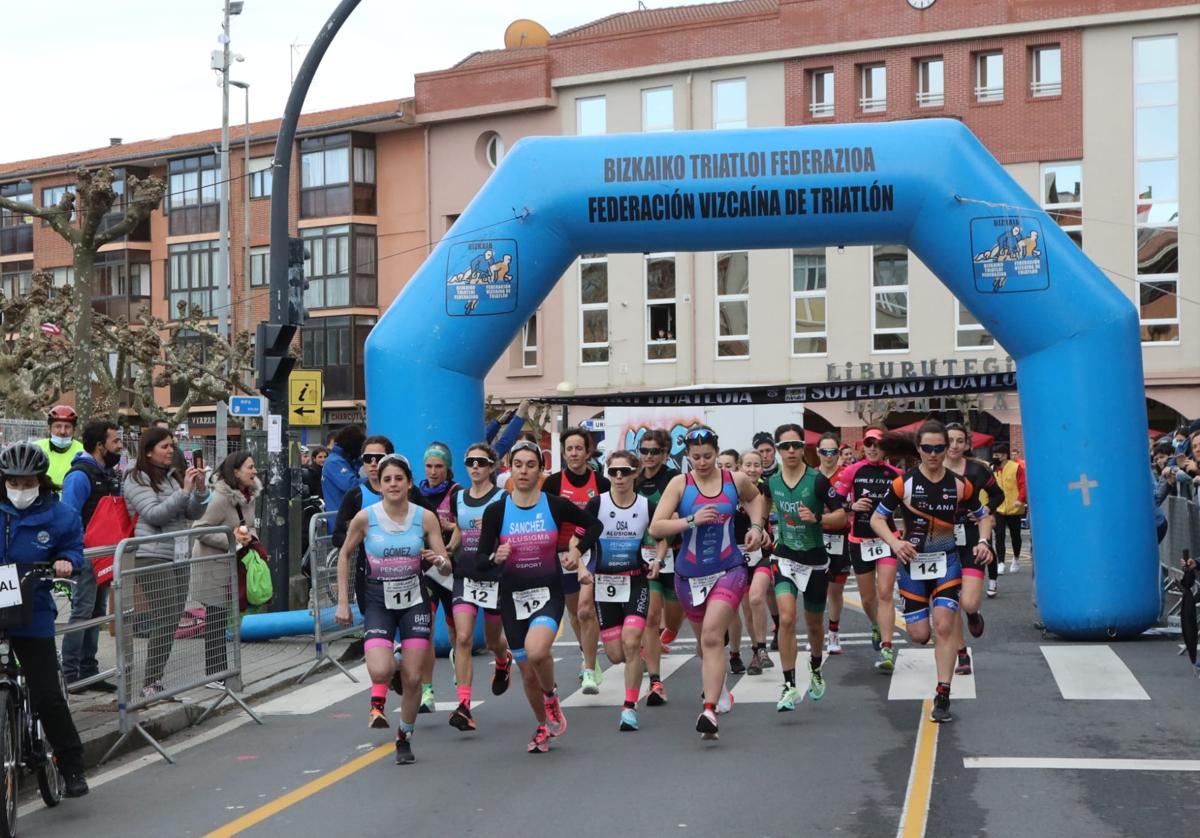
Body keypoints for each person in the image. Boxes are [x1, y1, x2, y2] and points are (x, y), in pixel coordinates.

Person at [474, 440, 603, 753]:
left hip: (548, 590)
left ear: (540, 470)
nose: (523, 471)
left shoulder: (555, 505)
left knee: (537, 650)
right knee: (527, 673)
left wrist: (576, 550)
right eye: (518, 465)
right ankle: (543, 726)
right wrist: (495, 558)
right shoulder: (496, 510)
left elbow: (594, 525)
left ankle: (551, 696)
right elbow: (479, 559)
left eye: (530, 465)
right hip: (511, 597)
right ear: (509, 468)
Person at [871, 420, 991, 723]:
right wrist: (895, 544)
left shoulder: (959, 484)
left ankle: (943, 693)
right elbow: (877, 519)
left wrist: (985, 541)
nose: (935, 454)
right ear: (918, 449)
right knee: (919, 635)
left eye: (939, 448)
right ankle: (915, 614)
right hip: (912, 564)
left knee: (944, 626)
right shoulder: (904, 483)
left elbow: (984, 516)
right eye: (928, 448)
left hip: (947, 562)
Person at [334, 454, 451, 765]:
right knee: (380, 670)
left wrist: (440, 561)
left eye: (399, 478)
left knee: (414, 679)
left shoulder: (424, 518)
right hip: (377, 601)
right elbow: (344, 555)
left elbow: (446, 564)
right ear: (379, 484)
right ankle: (394, 666)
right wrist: (344, 602)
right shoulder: (365, 517)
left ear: (409, 483)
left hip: (414, 600)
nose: (393, 484)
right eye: (387, 479)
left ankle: (404, 736)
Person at [649, 428, 765, 741]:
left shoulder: (734, 480)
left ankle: (709, 709)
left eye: (708, 456)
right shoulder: (679, 484)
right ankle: (719, 687)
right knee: (704, 645)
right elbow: (656, 526)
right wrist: (690, 521)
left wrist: (756, 526)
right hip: (689, 575)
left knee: (714, 637)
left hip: (729, 568)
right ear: (687, 456)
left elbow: (757, 500)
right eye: (695, 457)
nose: (701, 462)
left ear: (717, 453)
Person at [0, 442, 89, 797]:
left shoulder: (60, 515)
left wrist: (67, 559)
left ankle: (71, 766)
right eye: (14, 482)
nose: (20, 490)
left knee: (47, 693)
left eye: (28, 482)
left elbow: (74, 547)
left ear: (40, 481)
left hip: (32, 610)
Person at [761, 424, 847, 712]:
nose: (790, 451)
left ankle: (815, 666)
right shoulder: (771, 480)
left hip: (815, 561)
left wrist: (817, 519)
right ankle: (788, 685)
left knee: (813, 624)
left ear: (803, 448)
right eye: (784, 447)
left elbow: (841, 516)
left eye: (796, 445)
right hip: (784, 556)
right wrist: (759, 527)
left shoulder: (818, 481)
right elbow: (763, 501)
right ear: (777, 449)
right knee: (786, 618)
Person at [581, 450, 664, 732]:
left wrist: (658, 560)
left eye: (625, 471)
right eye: (613, 471)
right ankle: (637, 662)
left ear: (635, 473)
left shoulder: (646, 505)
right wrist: (580, 566)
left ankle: (629, 707)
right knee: (617, 655)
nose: (618, 476)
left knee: (630, 642)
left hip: (636, 581)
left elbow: (662, 536)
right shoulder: (597, 504)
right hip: (604, 585)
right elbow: (578, 540)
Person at [124, 426, 208, 698]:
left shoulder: (172, 478)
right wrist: (183, 492)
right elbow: (153, 514)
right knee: (166, 616)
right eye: (164, 447)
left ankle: (156, 679)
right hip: (151, 553)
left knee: (172, 619)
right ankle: (151, 682)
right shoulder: (135, 478)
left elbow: (192, 513)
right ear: (148, 451)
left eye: (172, 446)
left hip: (178, 554)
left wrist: (199, 491)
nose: (171, 451)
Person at [446, 443, 513, 733]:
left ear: (491, 467)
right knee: (463, 638)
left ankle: (503, 659)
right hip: (466, 574)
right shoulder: (457, 497)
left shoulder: (502, 498)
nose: (475, 467)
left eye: (481, 462)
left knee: (492, 639)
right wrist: (446, 550)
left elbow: (509, 533)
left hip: (495, 577)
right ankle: (464, 705)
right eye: (470, 462)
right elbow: (460, 530)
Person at [59, 419, 125, 691]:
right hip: (86, 555)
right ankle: (71, 673)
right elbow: (68, 516)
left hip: (103, 555)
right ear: (100, 446)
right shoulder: (80, 476)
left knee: (97, 613)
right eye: (116, 442)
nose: (120, 446)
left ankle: (89, 670)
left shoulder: (106, 474)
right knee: (83, 612)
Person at [542, 428, 608, 695]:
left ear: (588, 451)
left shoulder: (601, 483)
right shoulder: (553, 483)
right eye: (569, 448)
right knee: (574, 613)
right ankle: (586, 652)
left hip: (590, 551)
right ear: (563, 452)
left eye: (578, 448)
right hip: (562, 554)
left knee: (585, 609)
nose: (573, 453)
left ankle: (590, 667)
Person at [833, 427, 901, 671]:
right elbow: (835, 500)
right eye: (869, 443)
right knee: (868, 597)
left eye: (878, 444)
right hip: (859, 540)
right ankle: (876, 624)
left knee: (884, 592)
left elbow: (908, 503)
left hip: (887, 539)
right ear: (863, 447)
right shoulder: (852, 471)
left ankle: (887, 647)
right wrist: (852, 506)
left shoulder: (896, 474)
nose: (873, 448)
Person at [191, 451, 261, 685]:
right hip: (212, 565)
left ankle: (223, 671)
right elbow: (199, 528)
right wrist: (230, 540)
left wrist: (250, 537)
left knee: (225, 618)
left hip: (232, 565)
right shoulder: (220, 497)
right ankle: (214, 674)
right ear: (235, 472)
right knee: (216, 618)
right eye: (250, 467)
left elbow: (249, 526)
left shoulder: (249, 495)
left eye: (254, 467)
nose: (254, 471)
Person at [331, 435, 394, 667]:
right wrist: (361, 535)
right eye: (368, 458)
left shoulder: (406, 492)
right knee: (378, 640)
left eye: (380, 458)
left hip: (405, 577)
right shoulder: (356, 495)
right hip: (368, 578)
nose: (374, 463)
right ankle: (382, 683)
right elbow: (338, 537)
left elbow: (428, 527)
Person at [411, 441, 462, 714]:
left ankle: (459, 657)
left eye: (439, 466)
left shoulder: (457, 493)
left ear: (448, 468)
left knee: (455, 629)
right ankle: (427, 691)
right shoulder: (416, 493)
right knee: (427, 629)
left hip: (450, 569)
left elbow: (467, 526)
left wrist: (450, 527)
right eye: (429, 466)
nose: (433, 472)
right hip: (426, 571)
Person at [944, 423, 998, 675]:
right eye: (949, 440)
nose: (954, 445)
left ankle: (973, 614)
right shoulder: (932, 470)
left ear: (966, 444)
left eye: (959, 441)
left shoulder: (977, 470)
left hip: (973, 538)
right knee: (950, 601)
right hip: (942, 541)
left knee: (968, 601)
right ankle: (961, 653)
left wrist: (987, 513)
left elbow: (997, 495)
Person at [636, 428, 681, 706]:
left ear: (665, 454)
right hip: (645, 556)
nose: (649, 456)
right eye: (645, 451)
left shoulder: (673, 480)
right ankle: (655, 681)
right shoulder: (634, 479)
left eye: (655, 451)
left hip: (674, 554)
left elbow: (677, 516)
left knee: (673, 620)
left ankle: (666, 636)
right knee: (651, 617)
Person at [737, 449, 775, 674]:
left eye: (756, 465)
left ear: (762, 468)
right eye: (747, 465)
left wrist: (766, 533)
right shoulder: (730, 492)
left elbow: (767, 519)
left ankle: (762, 648)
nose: (752, 469)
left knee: (757, 597)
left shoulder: (764, 491)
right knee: (747, 610)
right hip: (736, 557)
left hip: (761, 554)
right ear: (740, 468)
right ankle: (755, 652)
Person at [816, 432, 852, 657]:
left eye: (833, 452)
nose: (829, 456)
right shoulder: (810, 475)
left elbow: (854, 504)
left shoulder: (846, 475)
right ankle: (816, 633)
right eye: (824, 451)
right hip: (815, 537)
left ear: (839, 453)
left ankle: (833, 632)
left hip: (840, 536)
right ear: (818, 452)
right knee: (817, 589)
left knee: (836, 591)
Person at [991, 442, 1027, 574]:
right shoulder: (992, 468)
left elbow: (1023, 485)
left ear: (1005, 455)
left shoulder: (1016, 468)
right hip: (998, 508)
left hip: (1014, 508)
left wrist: (1020, 499)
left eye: (998, 454)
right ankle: (1001, 562)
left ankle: (1016, 559)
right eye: (994, 454)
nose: (995, 457)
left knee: (1015, 535)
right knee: (999, 535)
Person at [36, 404, 84, 491]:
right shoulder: (36, 448)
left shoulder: (83, 452)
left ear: (74, 430)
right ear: (49, 428)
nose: (62, 431)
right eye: (58, 426)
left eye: (67, 427)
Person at [323, 424, 366, 513]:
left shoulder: (346, 459)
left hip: (345, 513)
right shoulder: (334, 462)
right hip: (339, 516)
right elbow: (351, 485)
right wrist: (375, 478)